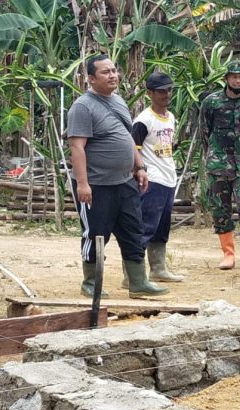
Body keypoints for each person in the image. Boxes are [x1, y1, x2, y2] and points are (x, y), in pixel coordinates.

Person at [66, 54, 169, 298]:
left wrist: (140, 167)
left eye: (114, 70)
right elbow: (77, 147)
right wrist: (83, 184)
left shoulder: (119, 101)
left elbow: (127, 138)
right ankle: (91, 282)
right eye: (105, 72)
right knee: (96, 234)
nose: (113, 75)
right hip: (96, 184)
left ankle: (138, 282)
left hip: (124, 181)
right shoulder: (82, 107)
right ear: (91, 79)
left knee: (133, 230)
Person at [199, 60, 240, 272]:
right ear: (226, 79)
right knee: (220, 208)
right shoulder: (211, 102)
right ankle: (228, 255)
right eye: (234, 77)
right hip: (218, 164)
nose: (238, 81)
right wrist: (213, 156)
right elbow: (204, 132)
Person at [121, 71, 184, 286]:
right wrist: (140, 171)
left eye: (169, 90)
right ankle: (132, 275)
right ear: (150, 93)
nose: (166, 94)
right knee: (144, 226)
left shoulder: (171, 117)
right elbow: (133, 149)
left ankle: (158, 268)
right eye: (161, 91)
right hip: (151, 179)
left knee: (161, 227)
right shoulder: (143, 120)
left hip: (168, 177)